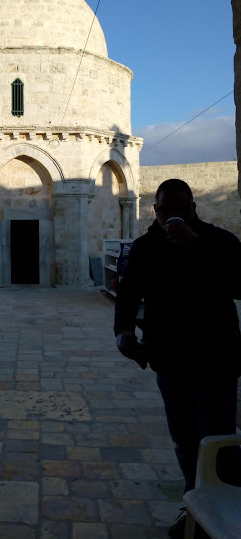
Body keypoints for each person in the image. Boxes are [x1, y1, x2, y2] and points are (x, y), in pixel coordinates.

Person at [114, 179, 241, 539]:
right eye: (164, 210)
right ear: (154, 210)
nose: (170, 216)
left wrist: (196, 246)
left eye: (178, 209)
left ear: (192, 207)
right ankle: (195, 507)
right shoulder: (146, 247)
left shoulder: (218, 241)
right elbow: (127, 294)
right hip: (170, 362)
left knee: (216, 440)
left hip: (216, 360)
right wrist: (123, 331)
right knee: (185, 440)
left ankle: (224, 512)